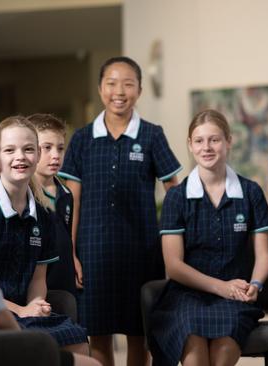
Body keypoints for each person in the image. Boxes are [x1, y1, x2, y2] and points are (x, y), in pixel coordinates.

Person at [58, 56, 182, 366]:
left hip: (142, 250)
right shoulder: (83, 139)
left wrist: (172, 244)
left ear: (139, 90)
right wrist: (71, 250)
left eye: (128, 84)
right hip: (92, 251)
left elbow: (174, 192)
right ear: (100, 89)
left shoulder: (152, 134)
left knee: (139, 333)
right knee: (98, 334)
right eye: (112, 83)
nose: (119, 91)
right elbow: (72, 197)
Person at [148, 109, 268, 366]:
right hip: (186, 295)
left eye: (214, 140)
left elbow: (264, 255)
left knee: (224, 348)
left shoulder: (251, 192)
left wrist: (256, 284)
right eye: (199, 140)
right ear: (190, 146)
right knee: (193, 345)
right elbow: (173, 266)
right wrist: (222, 287)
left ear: (228, 142)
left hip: (236, 296)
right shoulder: (176, 197)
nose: (207, 147)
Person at [0, 111, 100, 366]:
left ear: (36, 155)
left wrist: (36, 303)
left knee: (78, 339)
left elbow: (39, 278)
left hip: (23, 313)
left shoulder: (43, 215)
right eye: (9, 150)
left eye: (28, 149)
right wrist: (22, 311)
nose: (20, 157)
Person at [28, 113, 77, 297]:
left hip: (64, 282)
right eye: (47, 148)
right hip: (36, 286)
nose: (55, 155)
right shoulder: (25, 195)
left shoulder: (66, 194)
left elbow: (66, 238)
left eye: (60, 148)